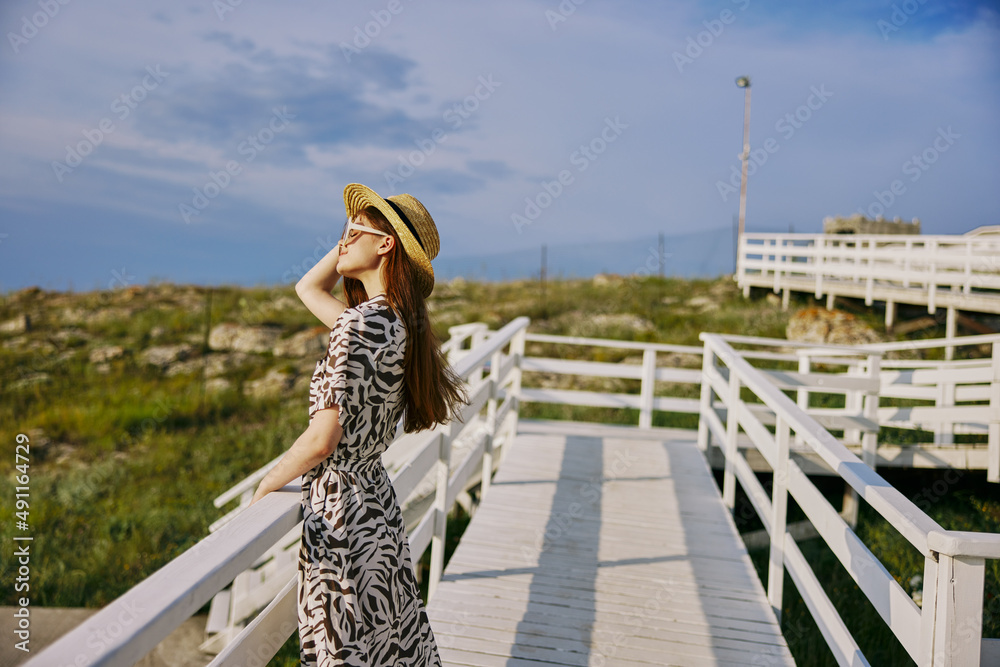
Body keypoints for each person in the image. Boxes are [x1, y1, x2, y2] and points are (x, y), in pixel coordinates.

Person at [250, 183, 466, 666]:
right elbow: (308, 288)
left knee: (343, 650)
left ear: (385, 245)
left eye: (352, 234)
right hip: (376, 507)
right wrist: (357, 232)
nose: (342, 243)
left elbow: (322, 439)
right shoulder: (397, 322)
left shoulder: (360, 325)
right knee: (388, 646)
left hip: (341, 514)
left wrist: (266, 484)